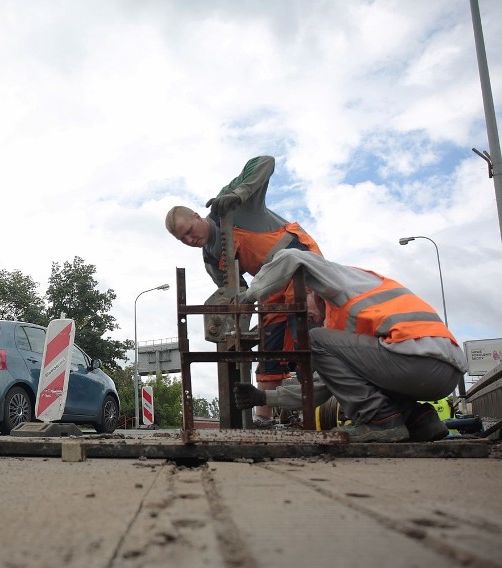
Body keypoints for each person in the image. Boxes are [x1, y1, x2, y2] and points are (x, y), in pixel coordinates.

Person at [233, 249, 467, 442]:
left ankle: (379, 421)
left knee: (315, 339)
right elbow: (324, 385)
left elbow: (293, 256)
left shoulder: (340, 283)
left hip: (418, 359)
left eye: (305, 310)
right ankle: (419, 418)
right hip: (443, 371)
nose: (307, 319)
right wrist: (263, 398)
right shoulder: (347, 328)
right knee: (334, 352)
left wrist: (246, 298)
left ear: (310, 291)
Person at [165, 155, 323, 426]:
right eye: (183, 239)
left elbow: (265, 162)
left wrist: (239, 194)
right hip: (271, 285)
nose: (190, 239)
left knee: (306, 340)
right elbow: (238, 297)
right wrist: (237, 333)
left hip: (299, 263)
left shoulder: (228, 206)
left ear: (196, 215)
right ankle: (263, 418)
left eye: (190, 230)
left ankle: (321, 405)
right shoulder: (211, 258)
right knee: (269, 344)